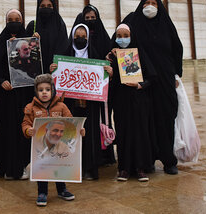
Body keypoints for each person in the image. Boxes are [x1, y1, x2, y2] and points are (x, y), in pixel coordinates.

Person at [123, 0, 183, 175]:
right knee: (144, 120)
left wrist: (176, 75)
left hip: (164, 80)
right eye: (146, 3)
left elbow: (177, 49)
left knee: (165, 119)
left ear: (159, 6)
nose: (150, 6)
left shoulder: (166, 25)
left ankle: (168, 160)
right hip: (142, 80)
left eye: (153, 3)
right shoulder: (134, 23)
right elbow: (122, 41)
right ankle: (146, 160)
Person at [49, 23, 113, 180]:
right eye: (77, 37)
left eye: (83, 37)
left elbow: (102, 81)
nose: (80, 39)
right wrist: (53, 70)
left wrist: (109, 73)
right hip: (70, 105)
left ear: (88, 38)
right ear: (72, 37)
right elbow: (57, 80)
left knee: (90, 136)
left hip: (90, 105)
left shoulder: (95, 56)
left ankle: (90, 168)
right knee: (70, 135)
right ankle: (69, 169)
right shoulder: (65, 56)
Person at [22, 74, 83, 207]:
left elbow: (72, 122)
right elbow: (25, 123)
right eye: (41, 90)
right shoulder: (31, 108)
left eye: (47, 89)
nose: (44, 92)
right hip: (41, 146)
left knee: (59, 167)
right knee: (42, 168)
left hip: (59, 145)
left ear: (53, 90)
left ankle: (62, 190)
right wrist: (28, 130)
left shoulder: (61, 107)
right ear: (36, 92)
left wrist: (80, 130)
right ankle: (42, 192)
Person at [106, 23, 156, 182]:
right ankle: (124, 168)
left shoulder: (139, 53)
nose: (122, 39)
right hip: (121, 102)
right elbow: (108, 83)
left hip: (139, 100)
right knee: (123, 134)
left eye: (125, 36)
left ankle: (141, 168)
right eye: (118, 36)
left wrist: (140, 85)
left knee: (140, 133)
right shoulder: (112, 56)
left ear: (131, 36)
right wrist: (111, 72)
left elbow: (152, 77)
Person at [0, 9, 33, 180]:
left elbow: (35, 66)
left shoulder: (30, 41)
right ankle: (6, 167)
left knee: (23, 129)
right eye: (10, 19)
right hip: (6, 95)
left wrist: (32, 44)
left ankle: (21, 166)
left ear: (22, 21)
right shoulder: (0, 41)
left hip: (24, 94)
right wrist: (0, 80)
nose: (14, 22)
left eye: (17, 19)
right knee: (6, 130)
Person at [25, 0, 69, 73]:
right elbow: (23, 46)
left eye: (49, 6)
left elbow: (64, 48)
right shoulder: (32, 26)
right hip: (35, 73)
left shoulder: (60, 26)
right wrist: (32, 40)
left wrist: (56, 64)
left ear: (54, 8)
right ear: (38, 8)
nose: (46, 8)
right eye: (43, 6)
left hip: (55, 72)